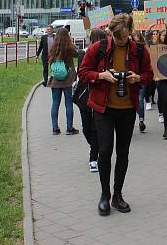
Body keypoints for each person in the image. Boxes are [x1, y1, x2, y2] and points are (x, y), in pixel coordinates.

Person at [78, 14, 153, 216]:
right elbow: (83, 72)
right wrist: (101, 75)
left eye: (123, 36)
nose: (120, 40)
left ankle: (117, 195)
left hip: (127, 108)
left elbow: (149, 76)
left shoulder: (138, 50)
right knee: (105, 150)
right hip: (103, 108)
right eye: (116, 36)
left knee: (123, 152)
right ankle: (104, 194)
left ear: (130, 31)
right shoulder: (99, 48)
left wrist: (137, 78)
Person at [75, 28, 107, 171]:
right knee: (86, 127)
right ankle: (94, 146)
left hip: (100, 93)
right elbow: (82, 73)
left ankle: (94, 157)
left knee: (96, 127)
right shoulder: (84, 53)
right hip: (84, 94)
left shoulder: (106, 53)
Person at [46, 28, 79, 136]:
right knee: (68, 103)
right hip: (67, 79)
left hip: (55, 79)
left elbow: (49, 59)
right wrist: (71, 43)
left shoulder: (52, 48)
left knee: (55, 103)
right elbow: (77, 54)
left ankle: (55, 128)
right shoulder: (69, 48)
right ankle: (69, 128)